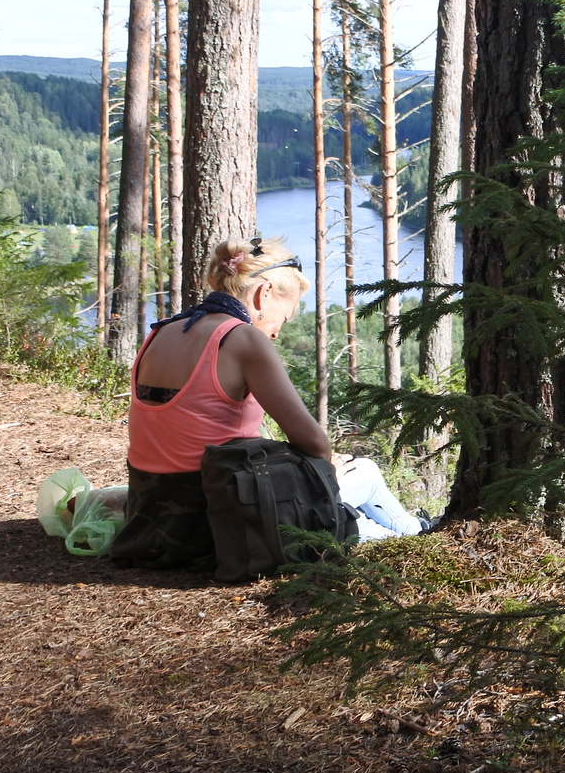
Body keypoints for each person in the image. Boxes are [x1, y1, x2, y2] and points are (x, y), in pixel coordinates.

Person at [108, 236, 422, 569]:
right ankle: (422, 535)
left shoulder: (162, 332)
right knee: (367, 473)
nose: (276, 333)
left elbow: (195, 432)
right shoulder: (242, 339)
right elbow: (315, 443)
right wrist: (327, 467)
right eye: (281, 320)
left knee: (356, 500)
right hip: (219, 526)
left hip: (151, 522)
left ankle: (414, 533)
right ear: (264, 293)